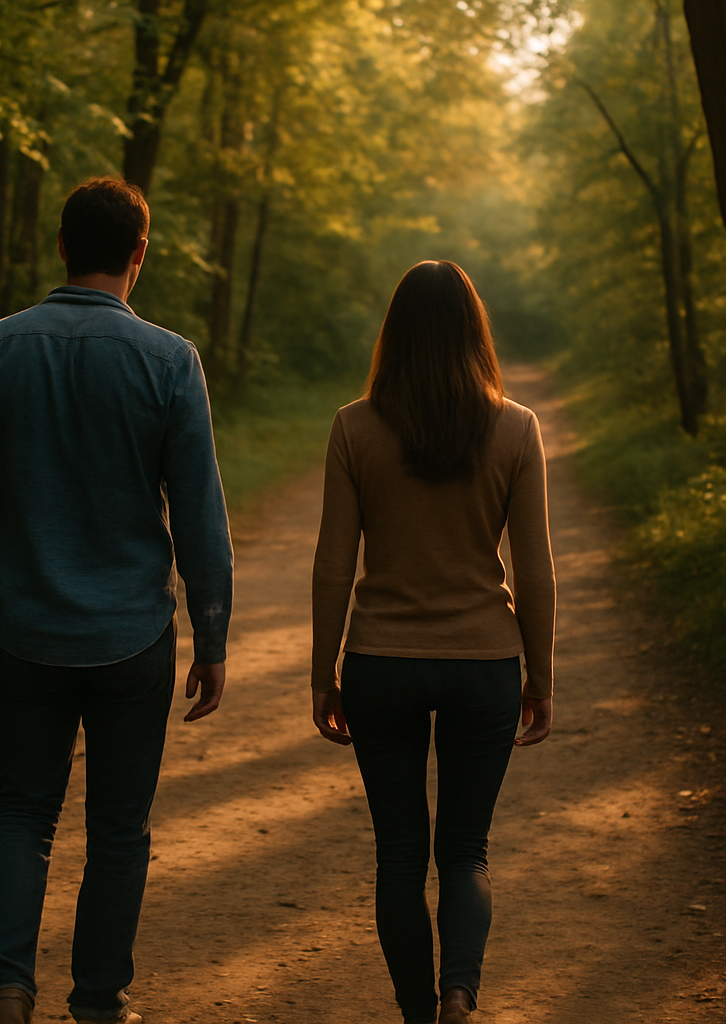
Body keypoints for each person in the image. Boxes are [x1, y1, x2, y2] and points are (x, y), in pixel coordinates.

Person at [0, 176, 233, 1024]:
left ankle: (6, 989)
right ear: (139, 255)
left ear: (61, 246)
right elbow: (201, 516)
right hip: (133, 636)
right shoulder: (170, 360)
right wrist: (210, 636)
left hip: (26, 631)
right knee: (118, 828)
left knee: (23, 810)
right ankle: (98, 1002)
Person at [310, 260, 557, 1024]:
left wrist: (325, 675)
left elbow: (332, 565)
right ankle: (460, 994)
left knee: (399, 858)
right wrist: (540, 677)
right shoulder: (516, 429)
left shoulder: (355, 426)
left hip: (381, 664)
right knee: (466, 852)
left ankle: (420, 1012)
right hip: (485, 664)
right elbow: (537, 571)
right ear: (473, 332)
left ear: (395, 335)